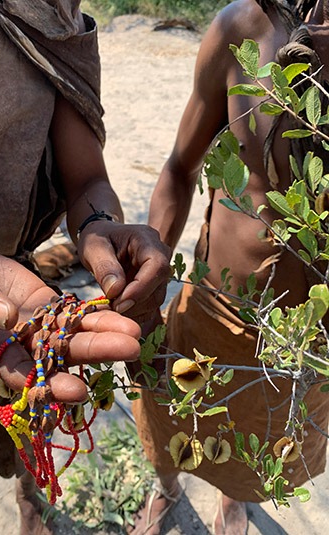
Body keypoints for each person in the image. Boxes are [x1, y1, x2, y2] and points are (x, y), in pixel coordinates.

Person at [0, 1, 171, 532]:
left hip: (15, 289)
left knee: (34, 408)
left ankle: (30, 504)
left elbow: (85, 179)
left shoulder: (47, 12)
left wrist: (100, 223)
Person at [137, 1, 329, 533]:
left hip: (306, 342)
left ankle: (234, 501)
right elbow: (180, 167)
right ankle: (166, 489)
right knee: (167, 411)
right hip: (210, 307)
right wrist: (149, 279)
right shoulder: (244, 28)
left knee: (258, 446)